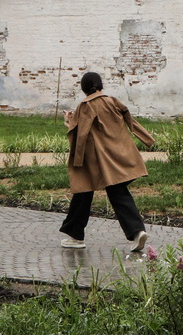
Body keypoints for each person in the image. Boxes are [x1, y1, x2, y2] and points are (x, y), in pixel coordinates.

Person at [59, 71, 155, 251]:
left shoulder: (85, 105)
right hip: (120, 155)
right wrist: (147, 139)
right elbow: (129, 121)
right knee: (116, 191)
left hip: (98, 159)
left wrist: (69, 122)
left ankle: (76, 236)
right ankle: (137, 231)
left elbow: (81, 134)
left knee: (84, 189)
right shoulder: (112, 101)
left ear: (84, 88)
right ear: (100, 85)